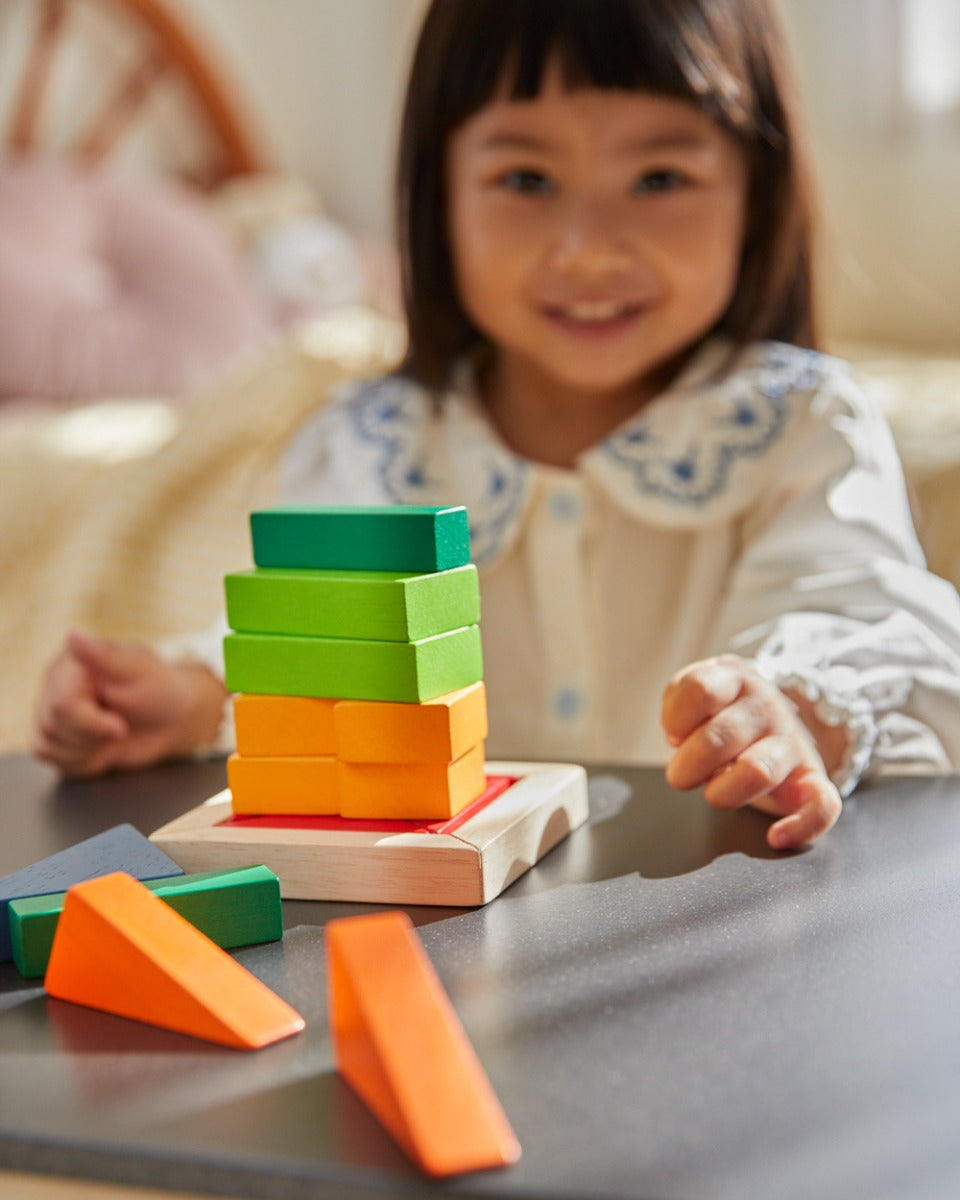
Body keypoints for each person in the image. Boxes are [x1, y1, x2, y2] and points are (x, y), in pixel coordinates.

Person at [32, 0, 960, 852]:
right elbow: (326, 669)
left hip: (726, 940)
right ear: (439, 198)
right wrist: (188, 702)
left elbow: (852, 613)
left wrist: (796, 712)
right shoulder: (368, 443)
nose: (587, 248)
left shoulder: (803, 428)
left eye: (659, 177)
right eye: (526, 177)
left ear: (756, 192)